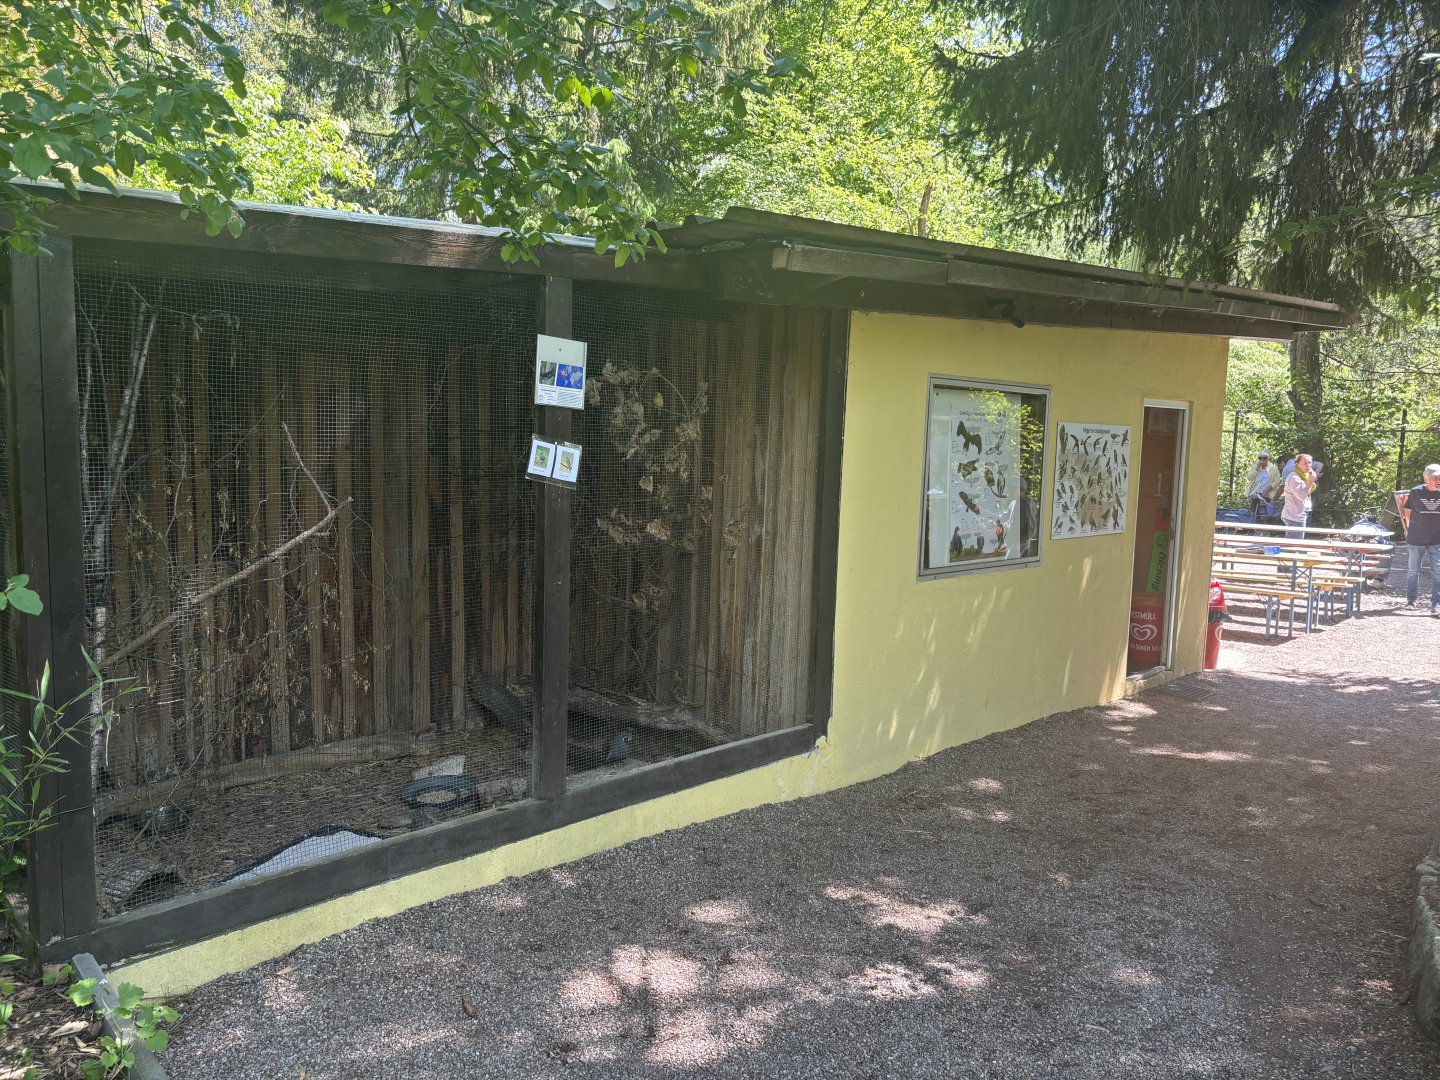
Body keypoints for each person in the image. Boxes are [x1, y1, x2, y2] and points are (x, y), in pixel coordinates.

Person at [1399, 463, 1440, 614]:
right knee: (1413, 571)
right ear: (1426, 478)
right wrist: (1411, 529)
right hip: (1416, 539)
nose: (1438, 480)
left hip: (1437, 539)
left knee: (1438, 572)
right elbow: (1408, 513)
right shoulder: (1416, 492)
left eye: (1439, 477)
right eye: (1434, 477)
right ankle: (1411, 600)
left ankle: (1436, 605)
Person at [1281, 453, 1317, 539]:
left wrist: (1309, 480)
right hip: (1295, 516)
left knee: (1296, 544)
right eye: (1304, 463)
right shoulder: (1294, 477)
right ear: (1297, 464)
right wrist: (1310, 482)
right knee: (1294, 546)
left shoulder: (1303, 476)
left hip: (1299, 514)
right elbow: (1301, 496)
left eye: (1310, 462)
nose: (1308, 465)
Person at [1244, 451, 1278, 522]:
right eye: (1260, 458)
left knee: (1267, 514)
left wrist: (1268, 488)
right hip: (1256, 494)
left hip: (1268, 494)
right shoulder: (1255, 467)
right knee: (1255, 512)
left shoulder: (1273, 468)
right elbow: (1250, 478)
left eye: (1264, 458)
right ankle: (1253, 528)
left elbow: (1277, 481)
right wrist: (1257, 469)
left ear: (1267, 459)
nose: (1262, 460)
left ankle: (1267, 530)